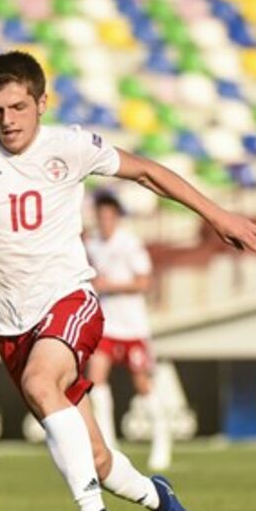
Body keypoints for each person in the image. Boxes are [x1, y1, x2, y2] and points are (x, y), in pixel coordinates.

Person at [0, 51, 256, 511]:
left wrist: (218, 216)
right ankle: (159, 498)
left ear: (42, 102)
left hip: (70, 300)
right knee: (97, 458)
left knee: (41, 383)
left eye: (18, 107)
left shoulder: (71, 146)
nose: (7, 120)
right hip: (10, 324)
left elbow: (147, 173)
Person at [85, 191, 171, 471]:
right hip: (107, 326)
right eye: (101, 216)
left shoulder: (130, 244)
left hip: (133, 327)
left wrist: (110, 286)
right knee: (96, 379)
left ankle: (162, 439)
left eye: (109, 216)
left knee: (142, 385)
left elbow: (144, 282)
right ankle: (108, 445)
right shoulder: (93, 244)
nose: (104, 221)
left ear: (117, 218)